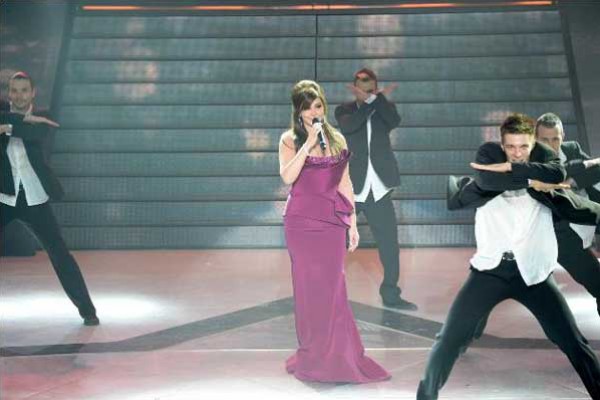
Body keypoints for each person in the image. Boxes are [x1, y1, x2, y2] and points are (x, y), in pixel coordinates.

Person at [417, 113, 600, 400]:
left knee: (574, 344)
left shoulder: (547, 179)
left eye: (523, 147)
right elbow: (488, 179)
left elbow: (558, 174)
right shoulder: (488, 178)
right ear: (502, 146)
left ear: (533, 146)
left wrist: (525, 175)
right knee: (448, 341)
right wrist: (529, 178)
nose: (517, 153)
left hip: (534, 277)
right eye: (511, 147)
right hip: (489, 274)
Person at [279, 80, 390, 383]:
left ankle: (338, 356)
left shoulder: (337, 138)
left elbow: (345, 182)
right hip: (301, 223)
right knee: (307, 290)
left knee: (333, 290)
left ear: (323, 106)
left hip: (331, 221)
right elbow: (288, 177)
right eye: (306, 108)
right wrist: (307, 144)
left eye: (317, 106)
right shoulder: (289, 140)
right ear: (298, 111)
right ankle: (313, 353)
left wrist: (352, 223)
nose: (313, 112)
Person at [0, 72, 99, 326]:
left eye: (24, 90)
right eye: (15, 90)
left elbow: (35, 134)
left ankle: (87, 310)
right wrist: (17, 121)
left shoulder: (45, 117)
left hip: (34, 197)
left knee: (60, 253)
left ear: (33, 92)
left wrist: (8, 126)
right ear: (9, 93)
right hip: (4, 196)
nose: (19, 95)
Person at [334, 68, 416, 310]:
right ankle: (325, 292)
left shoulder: (384, 109)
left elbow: (394, 120)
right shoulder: (344, 110)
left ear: (375, 87)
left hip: (378, 189)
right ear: (355, 87)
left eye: (369, 86)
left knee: (390, 245)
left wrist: (375, 101)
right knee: (335, 243)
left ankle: (391, 294)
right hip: (351, 189)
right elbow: (350, 127)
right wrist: (369, 102)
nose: (365, 89)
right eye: (361, 85)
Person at [535, 112, 600, 315]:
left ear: (563, 136)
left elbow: (597, 168)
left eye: (555, 139)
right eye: (544, 140)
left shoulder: (572, 149)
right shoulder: (529, 161)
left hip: (588, 218)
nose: (550, 145)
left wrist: (573, 181)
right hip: (559, 235)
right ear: (535, 139)